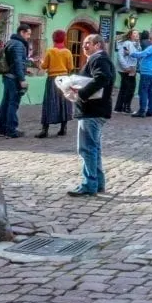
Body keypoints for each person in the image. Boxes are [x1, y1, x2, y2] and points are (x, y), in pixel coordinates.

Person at [64, 34, 115, 196]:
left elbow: (102, 78)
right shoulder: (98, 59)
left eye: (88, 43)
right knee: (94, 148)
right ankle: (98, 183)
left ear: (98, 45)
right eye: (83, 43)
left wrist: (82, 93)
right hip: (95, 110)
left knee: (86, 149)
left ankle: (89, 184)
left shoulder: (98, 59)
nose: (84, 46)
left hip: (92, 111)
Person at [36, 30, 74, 138]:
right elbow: (70, 67)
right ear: (64, 38)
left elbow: (44, 66)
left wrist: (40, 62)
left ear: (54, 39)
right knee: (64, 103)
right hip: (64, 78)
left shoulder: (50, 51)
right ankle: (63, 128)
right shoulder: (67, 52)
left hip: (53, 79)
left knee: (49, 102)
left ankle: (45, 130)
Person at [0, 23, 32, 139]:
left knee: (5, 103)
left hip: (7, 76)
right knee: (13, 103)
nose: (29, 37)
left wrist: (24, 71)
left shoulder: (10, 42)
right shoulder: (18, 44)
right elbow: (17, 62)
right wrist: (22, 79)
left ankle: (2, 129)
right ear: (22, 32)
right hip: (14, 78)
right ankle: (11, 130)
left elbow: (14, 62)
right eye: (28, 34)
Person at [131, 30, 152, 117]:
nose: (149, 40)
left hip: (147, 73)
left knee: (143, 92)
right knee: (151, 93)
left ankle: (141, 111)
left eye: (151, 38)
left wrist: (131, 53)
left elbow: (142, 54)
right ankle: (150, 110)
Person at [115, 29, 140, 113]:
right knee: (130, 88)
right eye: (135, 33)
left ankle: (119, 107)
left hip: (132, 68)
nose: (137, 35)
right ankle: (126, 108)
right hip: (127, 69)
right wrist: (126, 67)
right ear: (130, 35)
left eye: (137, 33)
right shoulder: (126, 43)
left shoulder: (136, 44)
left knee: (124, 87)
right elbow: (120, 55)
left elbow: (138, 55)